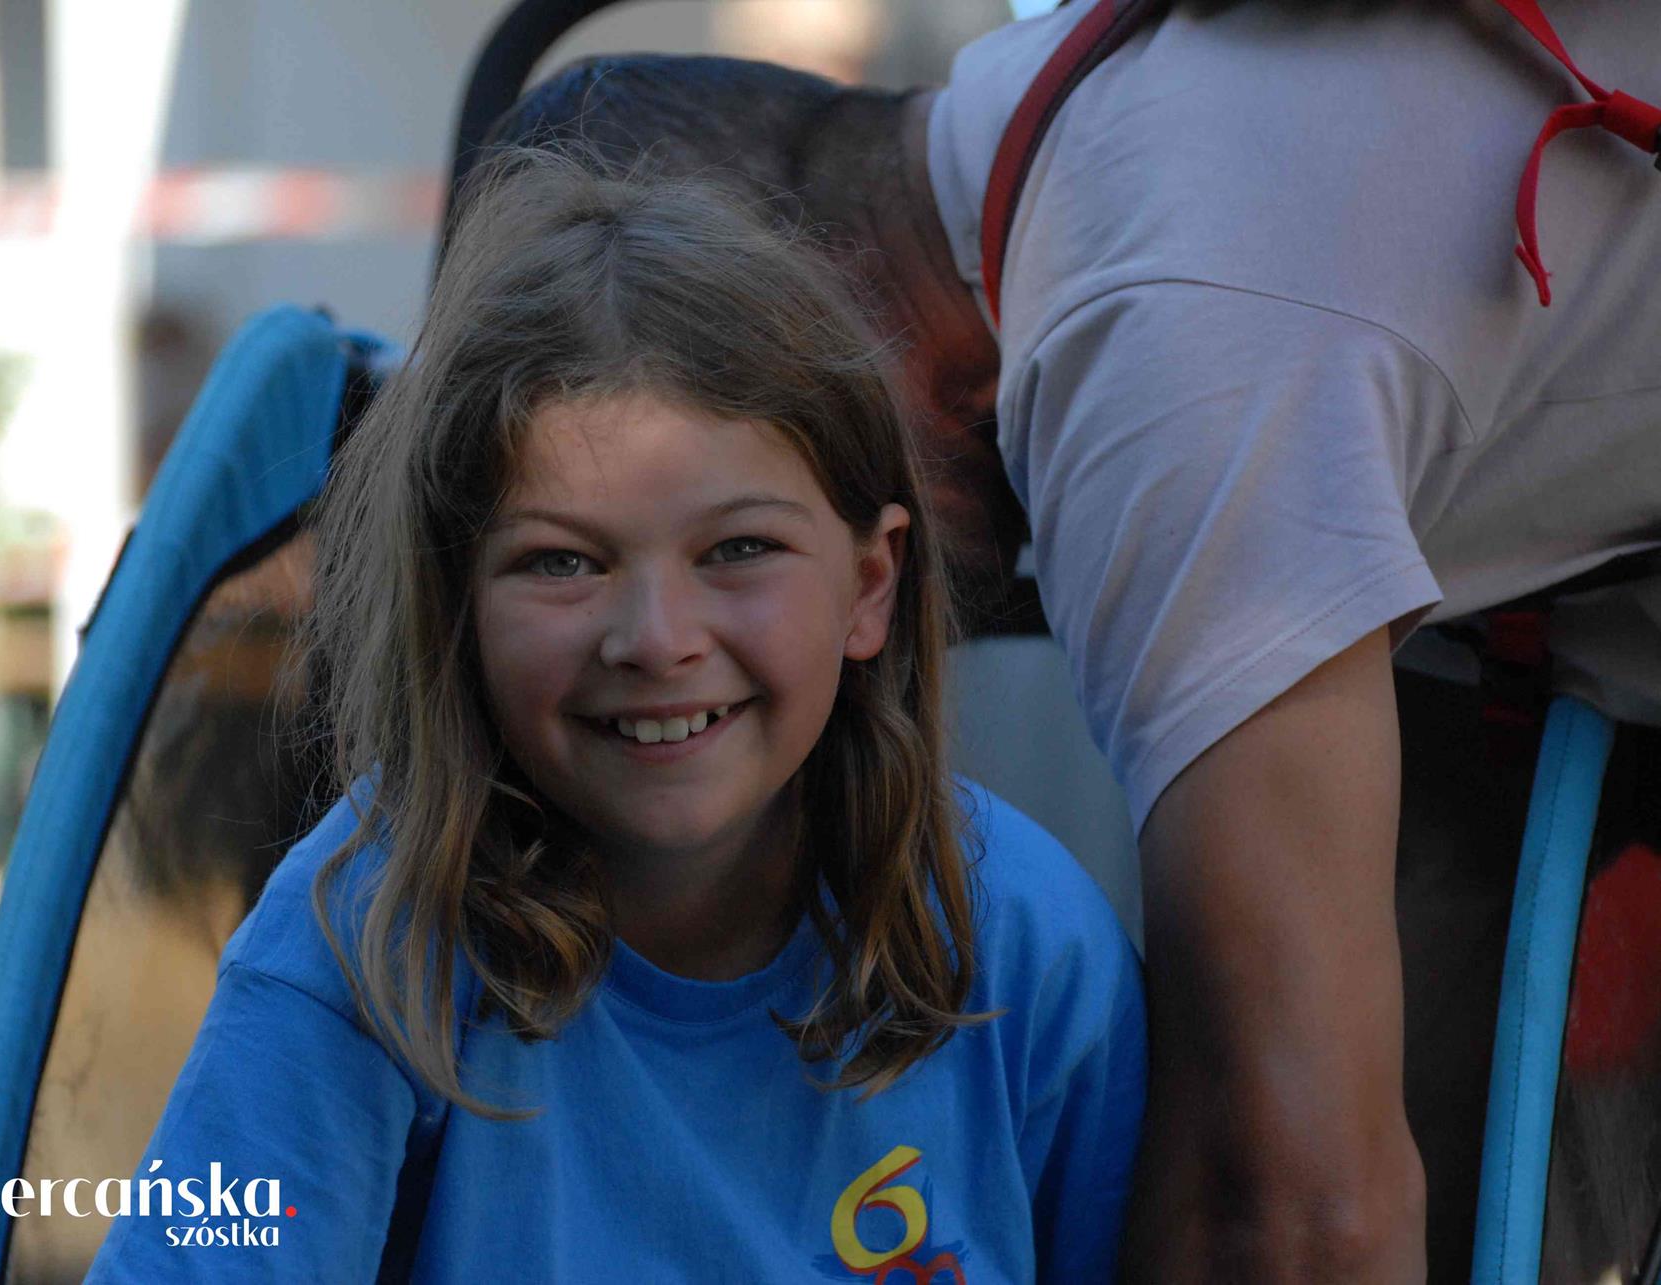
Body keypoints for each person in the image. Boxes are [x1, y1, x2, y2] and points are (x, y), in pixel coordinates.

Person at [480, 2, 1661, 1277]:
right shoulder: (1093, 114)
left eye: (734, 529)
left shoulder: (1155, 353)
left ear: (807, 332)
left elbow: (1303, 1207)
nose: (667, 631)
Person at [85, 151, 1145, 1281]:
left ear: (869, 584)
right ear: (456, 607)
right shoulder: (366, 943)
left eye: (739, 548)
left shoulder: (1024, 950)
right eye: (562, 562)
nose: (654, 637)